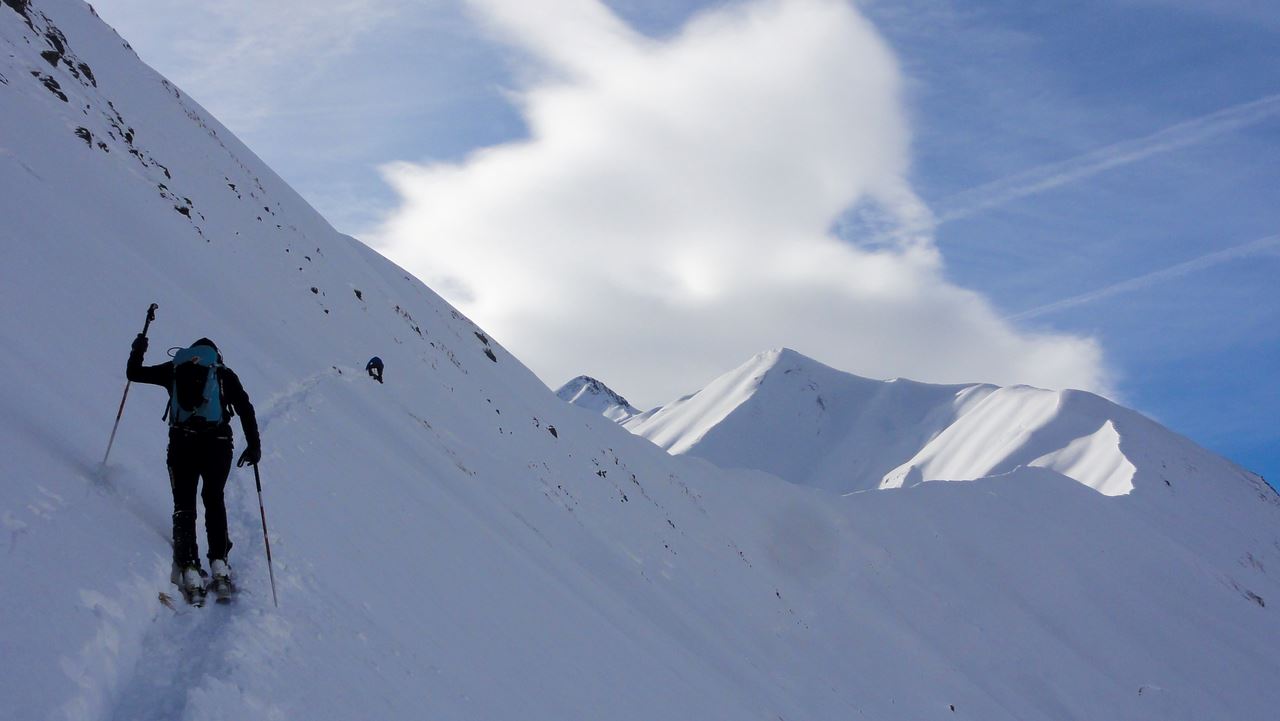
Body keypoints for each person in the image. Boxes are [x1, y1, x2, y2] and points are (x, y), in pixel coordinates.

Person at [127, 334, 260, 603]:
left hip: (181, 443)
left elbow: (134, 373)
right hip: (218, 444)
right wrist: (254, 445)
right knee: (214, 499)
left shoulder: (175, 370)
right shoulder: (223, 374)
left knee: (184, 504)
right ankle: (219, 563)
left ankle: (189, 567)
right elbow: (245, 409)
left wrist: (138, 348)